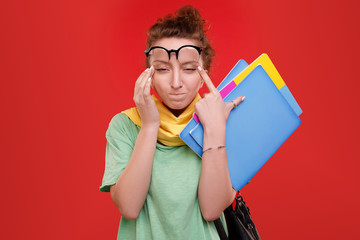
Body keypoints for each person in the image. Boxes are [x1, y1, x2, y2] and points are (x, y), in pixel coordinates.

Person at [100, 5, 245, 240]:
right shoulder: (125, 125)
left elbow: (211, 210)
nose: (176, 82)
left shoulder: (222, 121)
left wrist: (215, 131)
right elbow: (128, 206)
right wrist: (149, 126)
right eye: (163, 69)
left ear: (203, 74)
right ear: (150, 74)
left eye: (188, 69)